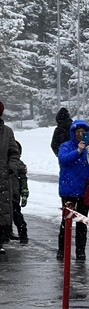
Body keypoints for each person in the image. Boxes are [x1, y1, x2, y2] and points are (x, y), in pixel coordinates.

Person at [57, 120, 89, 261]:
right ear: (73, 133)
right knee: (66, 221)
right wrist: (78, 151)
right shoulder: (65, 146)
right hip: (69, 190)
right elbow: (63, 159)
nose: (80, 135)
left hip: (86, 190)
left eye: (83, 133)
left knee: (82, 222)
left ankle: (80, 251)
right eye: (77, 132)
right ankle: (62, 250)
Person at [0, 100, 21, 253]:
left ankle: (1, 241)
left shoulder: (7, 132)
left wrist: (10, 168)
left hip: (2, 177)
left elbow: (14, 152)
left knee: (2, 210)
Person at [9, 142, 29, 245]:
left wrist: (24, 194)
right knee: (11, 216)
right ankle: (8, 233)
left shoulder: (18, 164)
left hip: (13, 195)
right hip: (10, 194)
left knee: (16, 216)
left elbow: (23, 181)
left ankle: (23, 236)